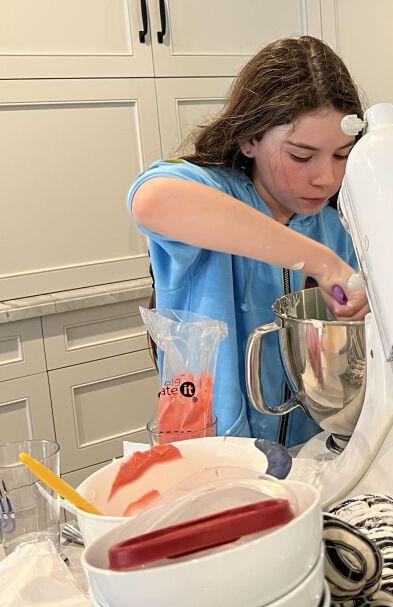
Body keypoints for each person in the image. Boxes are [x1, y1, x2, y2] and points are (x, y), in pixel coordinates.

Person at [129, 36, 369, 446]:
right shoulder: (211, 195)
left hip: (309, 449)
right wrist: (321, 264)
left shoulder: (337, 229)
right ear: (249, 139)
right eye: (300, 156)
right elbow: (151, 200)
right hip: (211, 449)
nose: (325, 178)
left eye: (341, 155)